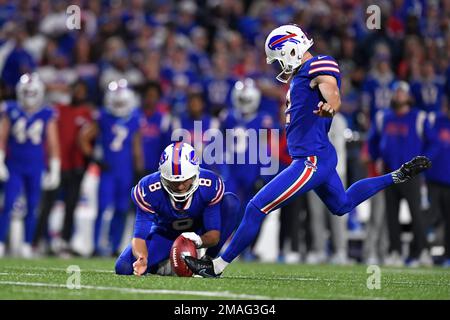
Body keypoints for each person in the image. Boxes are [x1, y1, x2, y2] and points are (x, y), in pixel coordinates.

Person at [183, 24, 431, 277]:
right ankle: (397, 175)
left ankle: (217, 266)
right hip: (318, 155)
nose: (278, 67)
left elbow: (331, 89)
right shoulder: (302, 73)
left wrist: (331, 106)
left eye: (279, 59)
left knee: (256, 207)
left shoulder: (317, 64)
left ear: (291, 50)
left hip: (309, 159)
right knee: (342, 203)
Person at [114, 142, 240, 276]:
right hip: (165, 234)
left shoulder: (209, 184)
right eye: (173, 182)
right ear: (162, 177)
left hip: (199, 232)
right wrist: (142, 257)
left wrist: (199, 240)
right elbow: (139, 236)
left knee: (230, 203)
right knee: (124, 267)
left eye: (185, 180)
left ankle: (207, 262)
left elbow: (214, 235)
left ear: (195, 174)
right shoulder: (149, 188)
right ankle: (165, 266)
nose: (180, 187)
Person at [368, 81, 437, 267]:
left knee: (417, 215)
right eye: (396, 92)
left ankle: (422, 251)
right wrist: (377, 158)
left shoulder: (419, 117)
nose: (399, 95)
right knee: (392, 215)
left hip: (412, 175)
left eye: (402, 92)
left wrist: (423, 162)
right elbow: (372, 141)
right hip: (390, 172)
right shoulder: (383, 117)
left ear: (409, 96)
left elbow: (433, 143)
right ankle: (395, 252)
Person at [79, 79, 144, 256]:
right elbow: (84, 138)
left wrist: (139, 168)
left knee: (122, 209)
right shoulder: (103, 116)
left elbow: (137, 145)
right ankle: (95, 245)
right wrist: (94, 158)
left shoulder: (135, 118)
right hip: (108, 169)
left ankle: (115, 246)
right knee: (102, 208)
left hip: (125, 170)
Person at [0, 73, 60, 258]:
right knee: (7, 203)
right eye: (26, 92)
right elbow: (2, 136)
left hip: (35, 166)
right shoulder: (10, 109)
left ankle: (27, 243)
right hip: (15, 165)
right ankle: (1, 242)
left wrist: (55, 168)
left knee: (33, 205)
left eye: (33, 92)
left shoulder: (46, 113)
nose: (29, 96)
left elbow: (52, 142)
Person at [33, 80, 93, 257]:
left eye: (82, 91)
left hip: (76, 167)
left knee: (71, 206)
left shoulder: (87, 114)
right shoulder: (58, 110)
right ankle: (38, 241)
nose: (79, 94)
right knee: (47, 205)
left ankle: (64, 241)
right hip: (58, 165)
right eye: (77, 90)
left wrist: (87, 161)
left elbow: (89, 140)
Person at [425, 108, 450, 267]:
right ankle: (422, 252)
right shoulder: (434, 120)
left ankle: (447, 255)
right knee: (429, 217)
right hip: (433, 178)